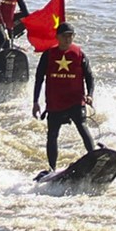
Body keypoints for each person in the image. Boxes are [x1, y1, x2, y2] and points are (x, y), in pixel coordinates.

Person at [32, 22, 97, 173]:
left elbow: (90, 77)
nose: (68, 39)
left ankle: (93, 158)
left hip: (75, 100)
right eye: (64, 36)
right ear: (57, 37)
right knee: (52, 135)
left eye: (71, 36)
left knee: (82, 126)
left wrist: (90, 95)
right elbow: (39, 78)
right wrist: (35, 102)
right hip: (55, 103)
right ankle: (52, 169)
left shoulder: (79, 54)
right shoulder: (48, 55)